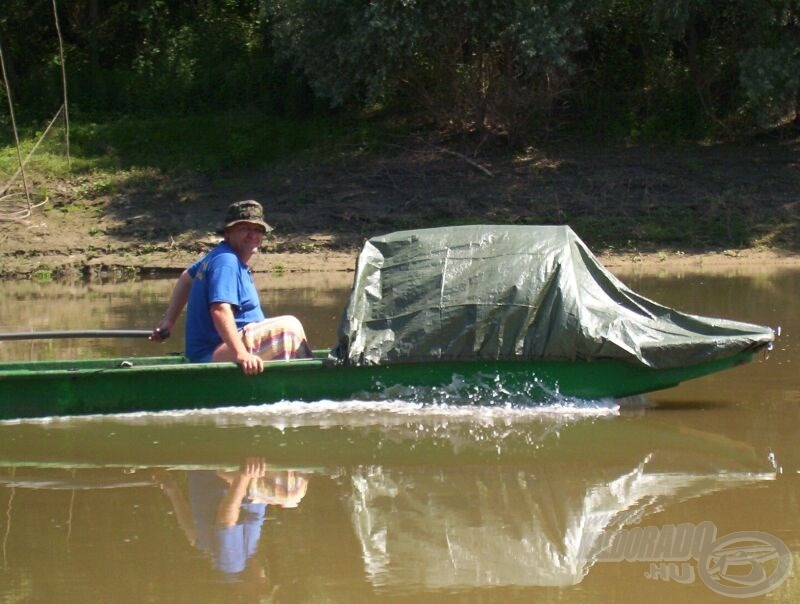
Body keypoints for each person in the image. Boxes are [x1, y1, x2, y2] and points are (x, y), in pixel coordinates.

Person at [150, 199, 312, 374]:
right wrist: (241, 354)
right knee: (288, 327)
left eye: (258, 230)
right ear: (228, 232)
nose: (252, 235)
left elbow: (186, 278)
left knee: (286, 327)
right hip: (212, 356)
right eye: (244, 229)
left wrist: (169, 321)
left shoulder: (219, 255)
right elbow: (220, 310)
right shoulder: (226, 261)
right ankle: (306, 382)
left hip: (217, 350)